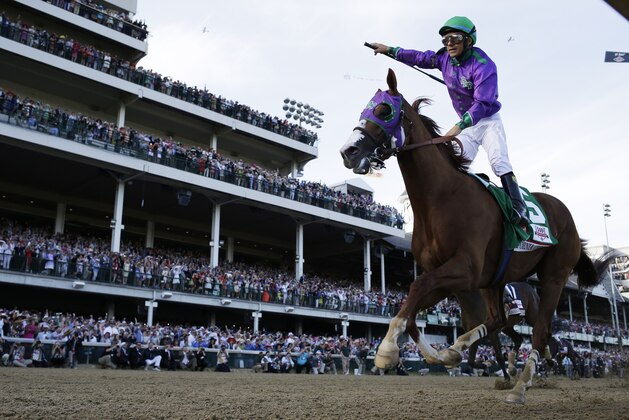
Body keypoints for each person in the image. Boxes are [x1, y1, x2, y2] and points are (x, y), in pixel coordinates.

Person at [371, 16, 529, 225]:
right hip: (467, 127)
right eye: (445, 40)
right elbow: (418, 57)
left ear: (468, 40)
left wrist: (458, 126)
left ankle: (520, 208)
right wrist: (389, 50)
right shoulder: (444, 58)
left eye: (454, 38)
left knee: (499, 161)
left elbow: (482, 103)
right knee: (452, 164)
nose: (449, 44)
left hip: (488, 121)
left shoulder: (484, 65)